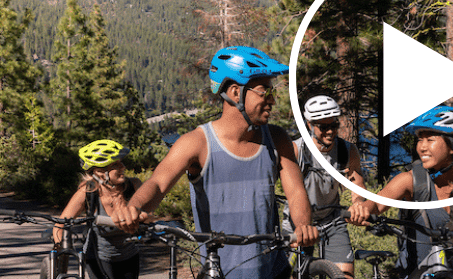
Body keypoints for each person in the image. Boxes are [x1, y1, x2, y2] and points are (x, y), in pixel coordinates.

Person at [113, 46, 317, 279]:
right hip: (218, 271)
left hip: (273, 270)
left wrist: (302, 225)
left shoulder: (277, 139)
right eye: (264, 92)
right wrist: (134, 207)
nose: (272, 100)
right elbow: (158, 183)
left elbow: (297, 193)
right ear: (234, 92)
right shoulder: (197, 143)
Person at [346, 106, 453, 279]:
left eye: (430, 140)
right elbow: (376, 203)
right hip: (413, 275)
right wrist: (361, 209)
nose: (421, 147)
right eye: (419, 140)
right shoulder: (411, 180)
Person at [283, 95, 366, 278]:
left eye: (334, 125)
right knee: (293, 274)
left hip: (332, 221)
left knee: (345, 275)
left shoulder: (347, 150)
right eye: (323, 127)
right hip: (297, 223)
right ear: (309, 125)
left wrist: (358, 203)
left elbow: (357, 184)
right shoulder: (297, 150)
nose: (330, 131)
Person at [53, 139, 143, 279]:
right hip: (96, 257)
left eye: (121, 162)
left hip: (129, 255)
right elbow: (60, 225)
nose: (123, 167)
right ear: (100, 171)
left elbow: (149, 216)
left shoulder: (134, 186)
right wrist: (62, 250)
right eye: (116, 164)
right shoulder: (87, 192)